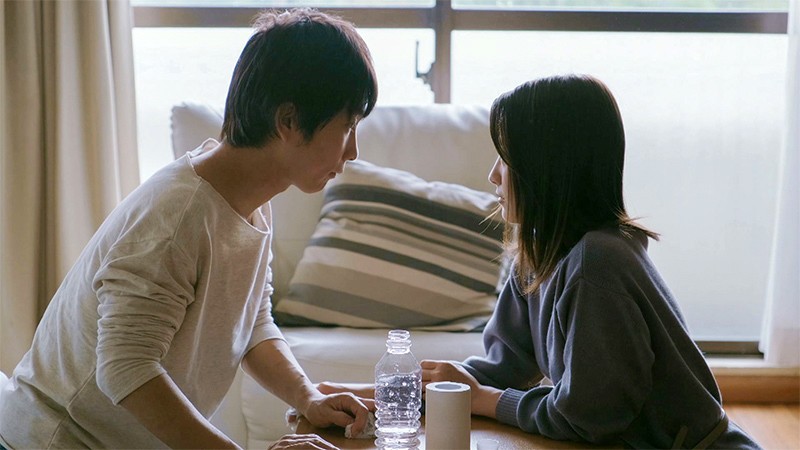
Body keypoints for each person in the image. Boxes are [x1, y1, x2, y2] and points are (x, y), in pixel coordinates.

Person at [0, 8, 377, 450]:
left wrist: (307, 397)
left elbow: (252, 322)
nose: (353, 151)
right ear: (288, 121)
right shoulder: (178, 217)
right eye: (348, 126)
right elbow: (125, 367)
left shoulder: (252, 201)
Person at [318, 74, 761, 449]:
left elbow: (588, 416)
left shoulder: (598, 263)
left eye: (506, 159)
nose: (493, 175)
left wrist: (484, 400)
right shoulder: (537, 254)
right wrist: (371, 392)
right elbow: (504, 367)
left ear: (548, 170)